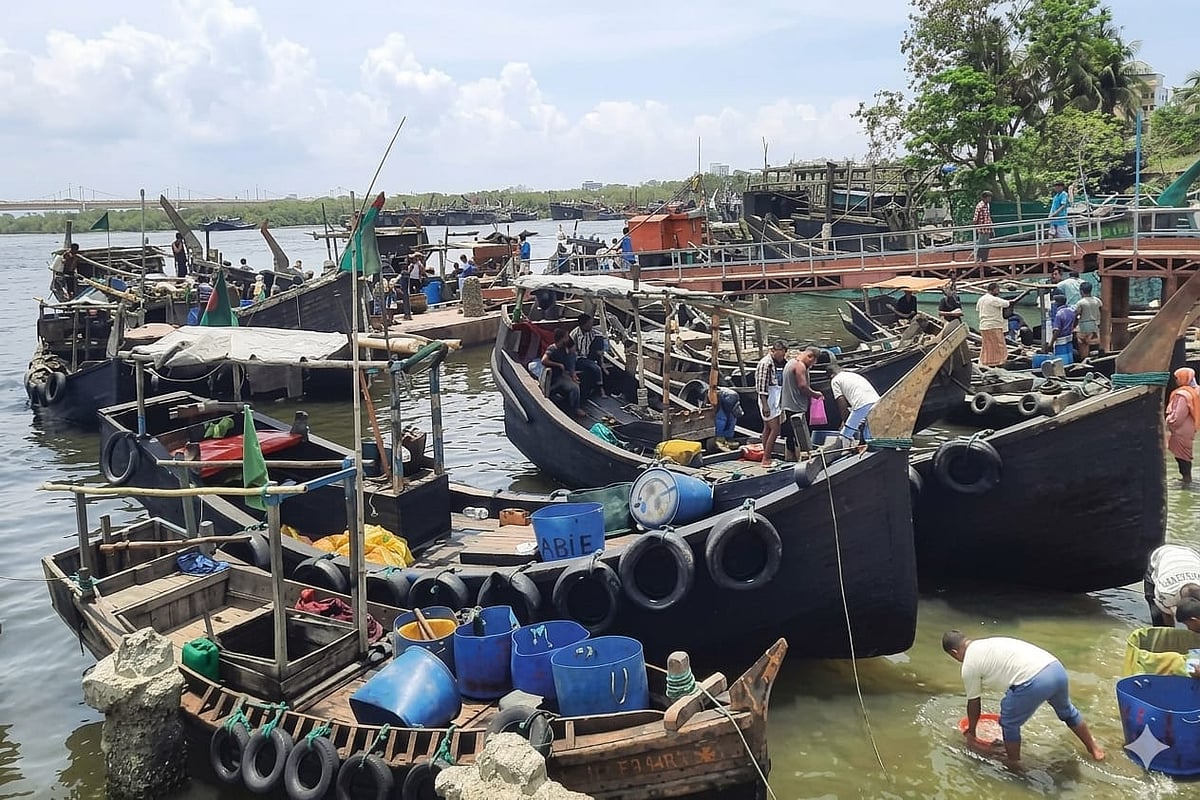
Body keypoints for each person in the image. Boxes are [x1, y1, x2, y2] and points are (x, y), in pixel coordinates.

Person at [942, 631, 1104, 766]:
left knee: (1008, 722)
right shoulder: (989, 642)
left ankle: (1014, 765)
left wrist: (971, 734)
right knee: (1068, 712)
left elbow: (974, 703)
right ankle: (1095, 749)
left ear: (954, 653)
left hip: (1034, 681)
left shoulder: (969, 664)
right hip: (1056, 669)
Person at [781, 346, 824, 460]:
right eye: (813, 362)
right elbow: (803, 386)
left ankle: (790, 457)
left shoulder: (791, 362)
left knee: (790, 434)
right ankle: (803, 459)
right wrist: (815, 394)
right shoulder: (800, 366)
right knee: (800, 436)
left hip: (788, 404)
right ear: (810, 356)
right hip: (796, 406)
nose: (813, 365)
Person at [1144, 543, 1200, 627]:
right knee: (1158, 618)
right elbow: (1167, 619)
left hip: (1190, 554)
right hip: (1161, 556)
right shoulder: (1166, 594)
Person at [755, 341, 789, 469]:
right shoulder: (766, 363)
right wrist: (765, 405)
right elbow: (761, 386)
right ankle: (766, 458)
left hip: (777, 395)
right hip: (768, 397)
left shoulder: (782, 362)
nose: (782, 356)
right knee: (775, 429)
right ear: (774, 351)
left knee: (768, 428)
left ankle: (766, 454)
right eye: (780, 353)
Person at [829, 365, 880, 446]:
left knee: (845, 435)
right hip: (876, 401)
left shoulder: (835, 380)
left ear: (831, 375)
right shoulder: (853, 375)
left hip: (861, 404)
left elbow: (841, 401)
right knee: (868, 433)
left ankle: (844, 451)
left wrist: (846, 422)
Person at [1166, 367, 1200, 484]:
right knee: (1186, 454)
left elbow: (1178, 416)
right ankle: (1186, 478)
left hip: (1181, 430)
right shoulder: (1195, 391)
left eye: (1177, 377)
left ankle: (1186, 480)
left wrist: (1168, 421)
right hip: (1191, 427)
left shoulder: (1182, 395)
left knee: (1182, 456)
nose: (1175, 380)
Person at [540, 328, 584, 418]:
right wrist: (558, 365)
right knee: (573, 387)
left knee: (575, 386)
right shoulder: (552, 348)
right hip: (553, 378)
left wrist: (573, 375)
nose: (568, 338)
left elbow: (570, 362)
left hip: (561, 377)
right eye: (566, 337)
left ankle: (574, 408)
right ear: (561, 338)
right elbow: (544, 360)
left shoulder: (565, 349)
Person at [569, 313, 606, 400]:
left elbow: (600, 336)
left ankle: (596, 386)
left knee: (597, 365)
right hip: (578, 358)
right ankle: (601, 389)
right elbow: (571, 352)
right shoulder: (574, 335)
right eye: (589, 324)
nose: (591, 326)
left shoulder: (591, 332)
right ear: (583, 325)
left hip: (587, 356)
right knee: (595, 368)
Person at [976, 282, 1011, 368]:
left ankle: (986, 361)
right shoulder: (993, 299)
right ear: (994, 289)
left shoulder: (981, 299)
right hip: (993, 325)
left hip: (983, 326)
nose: (998, 291)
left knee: (987, 345)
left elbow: (977, 309)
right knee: (1000, 345)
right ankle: (1001, 362)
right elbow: (1007, 303)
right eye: (997, 289)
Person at [1073, 282, 1103, 360]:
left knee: (1083, 346)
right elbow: (1101, 310)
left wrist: (1073, 326)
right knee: (1095, 346)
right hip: (1094, 326)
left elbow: (1076, 315)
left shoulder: (1080, 302)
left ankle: (1084, 361)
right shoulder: (1097, 300)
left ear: (1081, 291)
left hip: (1083, 326)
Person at [714, 386, 742, 451]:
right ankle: (719, 440)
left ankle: (729, 439)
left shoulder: (735, 404)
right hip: (723, 397)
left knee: (731, 419)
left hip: (730, 398)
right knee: (721, 419)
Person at [973, 191, 994, 264]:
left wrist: (991, 227)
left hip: (987, 229)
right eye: (989, 197)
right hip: (982, 229)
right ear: (985, 198)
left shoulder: (987, 205)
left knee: (986, 245)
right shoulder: (980, 206)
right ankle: (978, 259)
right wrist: (977, 227)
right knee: (981, 244)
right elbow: (975, 219)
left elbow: (988, 217)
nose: (990, 199)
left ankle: (984, 259)